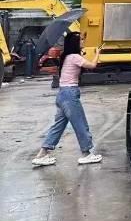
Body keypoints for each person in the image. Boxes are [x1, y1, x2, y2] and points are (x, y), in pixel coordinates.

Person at [32, 31, 102, 166]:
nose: (83, 42)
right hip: (70, 95)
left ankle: (42, 154)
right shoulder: (74, 57)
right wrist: (97, 53)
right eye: (81, 40)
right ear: (75, 43)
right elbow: (92, 66)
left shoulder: (68, 57)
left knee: (58, 126)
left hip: (62, 94)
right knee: (80, 124)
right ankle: (86, 153)